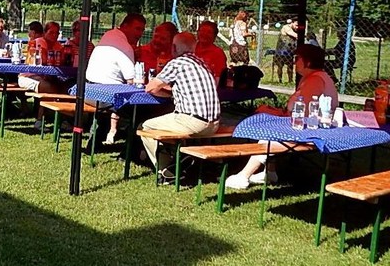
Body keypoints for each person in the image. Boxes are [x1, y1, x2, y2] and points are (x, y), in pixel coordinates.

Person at [225, 44, 338, 189]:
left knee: (268, 134)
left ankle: (243, 176)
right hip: (306, 125)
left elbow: (303, 112)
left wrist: (278, 114)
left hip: (311, 129)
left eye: (297, 58)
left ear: (308, 62)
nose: (294, 62)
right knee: (264, 119)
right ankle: (270, 172)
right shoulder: (314, 77)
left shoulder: (315, 80)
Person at [142, 32, 221, 183]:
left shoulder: (177, 63)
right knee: (170, 125)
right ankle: (180, 158)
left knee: (146, 127)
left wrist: (159, 85)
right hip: (214, 124)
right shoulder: (201, 63)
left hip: (193, 122)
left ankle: (165, 170)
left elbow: (150, 88)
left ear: (173, 47)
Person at [85, 14, 147, 144]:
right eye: (137, 29)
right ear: (125, 26)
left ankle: (95, 142)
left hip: (89, 90)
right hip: (105, 96)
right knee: (142, 110)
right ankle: (131, 149)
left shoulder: (109, 35)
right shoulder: (124, 47)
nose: (140, 34)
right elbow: (132, 80)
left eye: (142, 30)